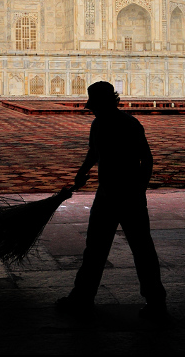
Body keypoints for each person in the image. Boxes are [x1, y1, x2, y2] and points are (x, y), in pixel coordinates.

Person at [56, 81, 167, 320]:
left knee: (141, 248)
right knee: (96, 248)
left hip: (128, 195)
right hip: (106, 194)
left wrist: (140, 189)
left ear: (106, 102)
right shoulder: (98, 124)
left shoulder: (129, 124)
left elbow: (146, 160)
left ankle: (156, 301)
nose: (92, 109)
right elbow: (94, 153)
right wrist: (82, 171)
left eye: (94, 105)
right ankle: (82, 296)